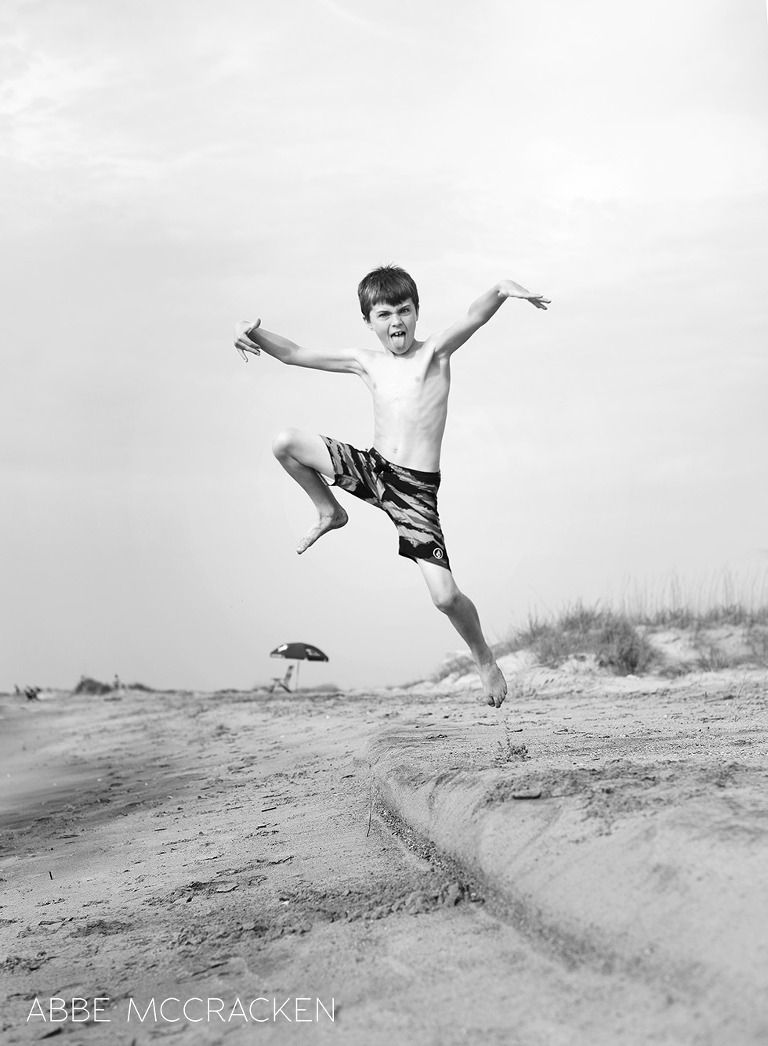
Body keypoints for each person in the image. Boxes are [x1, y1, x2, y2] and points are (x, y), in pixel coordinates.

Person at [234, 266, 549, 707]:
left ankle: (483, 657)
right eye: (384, 314)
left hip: (414, 493)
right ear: (369, 321)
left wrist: (500, 290)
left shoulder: (435, 352)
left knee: (445, 597)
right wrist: (251, 331)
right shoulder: (366, 362)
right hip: (373, 469)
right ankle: (329, 511)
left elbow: (473, 316)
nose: (396, 321)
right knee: (284, 442)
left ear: (417, 312)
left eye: (404, 310)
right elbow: (295, 353)